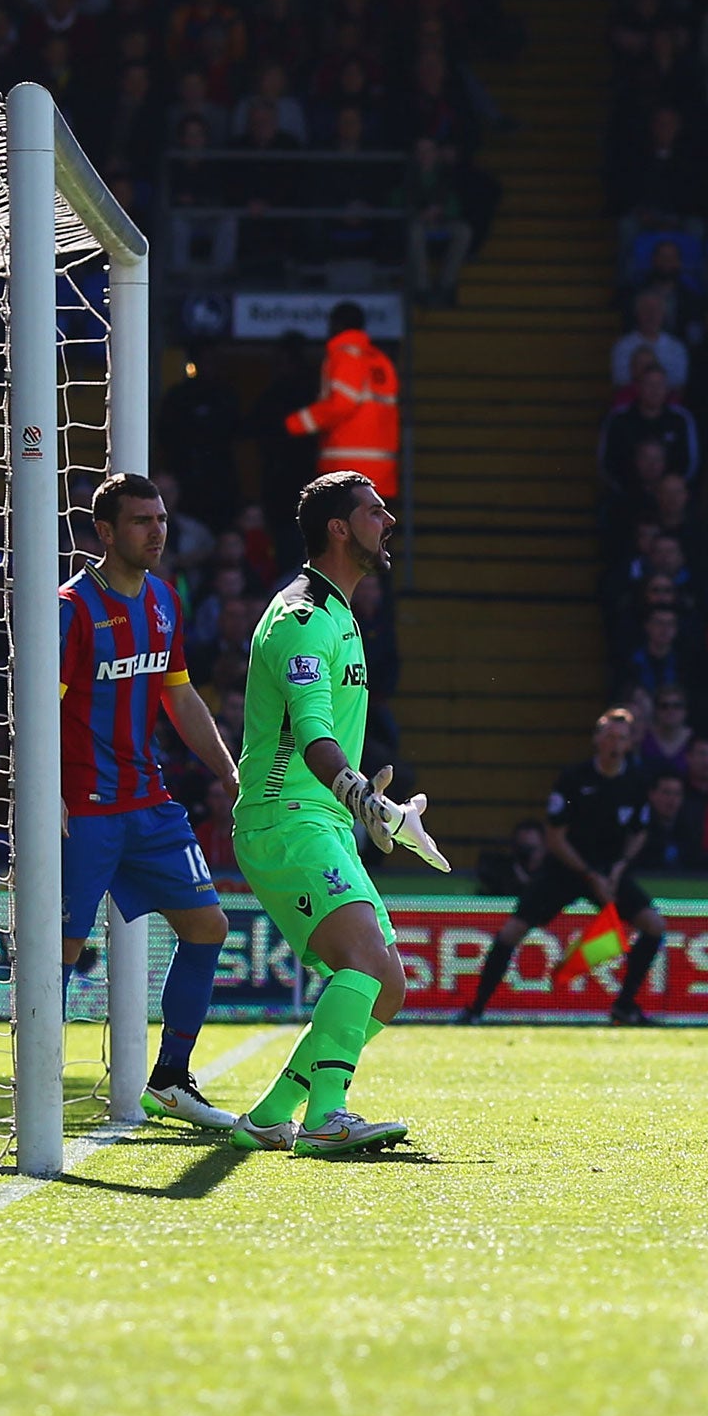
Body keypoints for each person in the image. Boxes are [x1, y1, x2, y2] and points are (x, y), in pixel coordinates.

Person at [227, 473, 448, 1156]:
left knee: (387, 986)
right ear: (338, 529)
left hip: (321, 822)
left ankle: (273, 1113)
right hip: (284, 817)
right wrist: (365, 799)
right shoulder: (299, 618)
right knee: (360, 959)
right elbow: (313, 733)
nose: (388, 521)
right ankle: (326, 1116)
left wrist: (358, 809)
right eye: (374, 511)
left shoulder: (340, 614)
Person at [59, 473, 242, 1129]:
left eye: (161, 519)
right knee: (63, 949)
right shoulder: (72, 607)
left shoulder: (165, 600)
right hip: (85, 809)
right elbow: (38, 712)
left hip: (150, 802)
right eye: (142, 521)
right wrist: (47, 798)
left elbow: (180, 694)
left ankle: (170, 1080)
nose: (157, 531)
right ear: (105, 532)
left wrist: (226, 770)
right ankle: (38, 1091)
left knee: (208, 926)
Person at [456, 709, 667, 1026]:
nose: (614, 743)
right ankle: (475, 1009)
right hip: (565, 869)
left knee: (654, 926)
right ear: (597, 739)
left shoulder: (636, 783)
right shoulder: (574, 779)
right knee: (512, 931)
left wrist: (618, 868)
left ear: (628, 744)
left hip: (609, 871)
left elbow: (639, 831)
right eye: (609, 736)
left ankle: (624, 1005)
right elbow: (555, 837)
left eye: (621, 738)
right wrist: (589, 874)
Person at [283, 301, 400, 496]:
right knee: (374, 524)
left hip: (346, 465)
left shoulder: (345, 355)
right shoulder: (381, 360)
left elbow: (340, 405)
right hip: (383, 468)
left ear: (336, 324)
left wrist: (293, 424)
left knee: (340, 524)